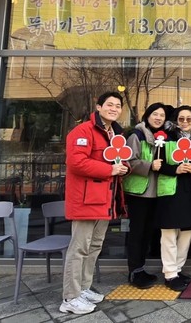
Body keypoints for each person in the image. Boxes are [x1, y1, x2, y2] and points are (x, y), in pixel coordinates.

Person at [60, 91, 129, 315]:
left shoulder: (115, 134)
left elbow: (116, 160)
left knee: (94, 246)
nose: (114, 109)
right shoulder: (83, 131)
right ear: (98, 107)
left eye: (117, 106)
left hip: (104, 200)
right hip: (86, 199)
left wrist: (123, 167)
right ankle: (70, 297)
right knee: (79, 248)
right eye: (109, 104)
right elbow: (76, 162)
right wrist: (110, 169)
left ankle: (83, 288)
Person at [123, 102, 170, 289]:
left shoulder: (162, 136)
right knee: (137, 232)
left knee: (147, 232)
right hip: (139, 192)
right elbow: (128, 160)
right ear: (147, 115)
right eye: (155, 114)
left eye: (162, 115)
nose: (158, 118)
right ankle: (134, 271)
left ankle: (140, 268)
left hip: (155, 192)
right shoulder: (137, 135)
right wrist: (150, 165)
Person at [155, 107, 191, 291]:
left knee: (187, 233)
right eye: (181, 119)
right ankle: (170, 273)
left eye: (189, 119)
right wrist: (175, 169)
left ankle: (178, 269)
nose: (185, 122)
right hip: (170, 190)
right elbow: (157, 164)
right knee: (169, 233)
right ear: (175, 120)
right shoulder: (165, 138)